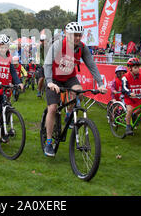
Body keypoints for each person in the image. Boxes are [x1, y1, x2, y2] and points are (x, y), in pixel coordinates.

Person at [43, 22, 107, 157]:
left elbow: (91, 66)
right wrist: (49, 82)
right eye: (74, 35)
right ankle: (49, 142)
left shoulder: (82, 48)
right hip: (54, 79)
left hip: (69, 78)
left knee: (79, 92)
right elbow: (47, 64)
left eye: (79, 35)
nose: (77, 38)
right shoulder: (58, 45)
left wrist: (100, 83)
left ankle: (69, 115)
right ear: (67, 34)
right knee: (53, 108)